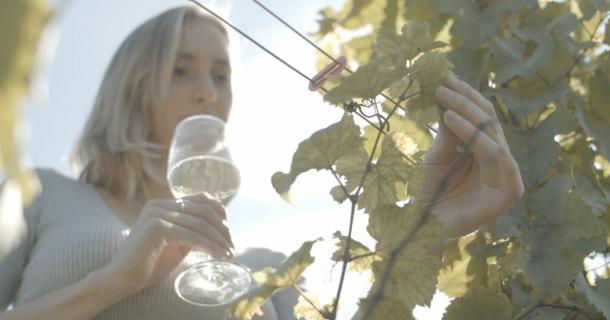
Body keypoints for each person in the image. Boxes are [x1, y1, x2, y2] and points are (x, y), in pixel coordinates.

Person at [0, 4, 524, 320]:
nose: (207, 92)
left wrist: (427, 229)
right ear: (131, 85)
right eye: (181, 70)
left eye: (221, 75)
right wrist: (118, 278)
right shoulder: (41, 195)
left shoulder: (265, 270)